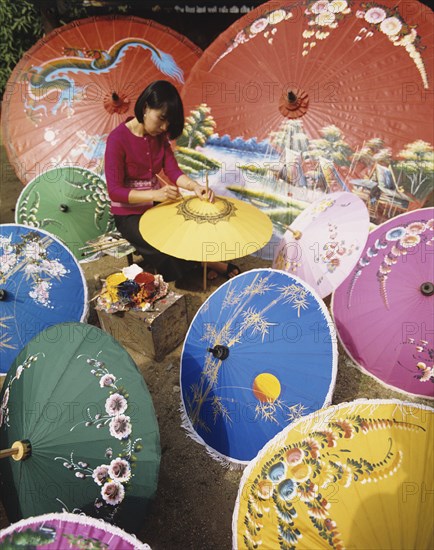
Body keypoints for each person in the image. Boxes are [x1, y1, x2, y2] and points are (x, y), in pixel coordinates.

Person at [104, 80, 240, 282]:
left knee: (188, 223)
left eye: (169, 122)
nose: (165, 126)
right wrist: (154, 194)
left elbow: (173, 171)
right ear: (146, 107)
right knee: (161, 243)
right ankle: (202, 263)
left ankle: (198, 261)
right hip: (128, 213)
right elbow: (115, 191)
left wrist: (195, 187)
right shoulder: (117, 139)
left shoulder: (158, 137)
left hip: (156, 204)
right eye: (162, 118)